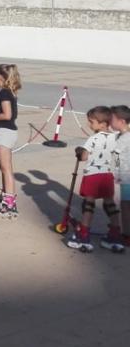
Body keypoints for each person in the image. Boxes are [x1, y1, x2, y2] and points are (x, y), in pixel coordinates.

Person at [66, 107, 124, 253]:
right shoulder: (116, 137)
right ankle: (115, 234)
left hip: (92, 175)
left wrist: (79, 152)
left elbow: (84, 157)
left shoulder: (93, 138)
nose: (89, 125)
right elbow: (117, 157)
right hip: (107, 175)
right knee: (109, 203)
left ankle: (83, 234)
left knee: (88, 204)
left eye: (91, 122)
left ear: (103, 124)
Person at [0, 64, 22, 218]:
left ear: (0, 77)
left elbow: (7, 115)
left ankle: (9, 202)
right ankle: (6, 197)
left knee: (6, 166)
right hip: (4, 131)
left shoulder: (4, 93)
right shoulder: (7, 92)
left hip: (5, 131)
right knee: (3, 165)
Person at [111, 105, 130, 245]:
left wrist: (115, 173)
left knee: (125, 206)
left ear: (121, 121)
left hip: (126, 177)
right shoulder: (122, 135)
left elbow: (115, 156)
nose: (110, 122)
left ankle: (127, 235)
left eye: (112, 119)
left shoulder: (124, 138)